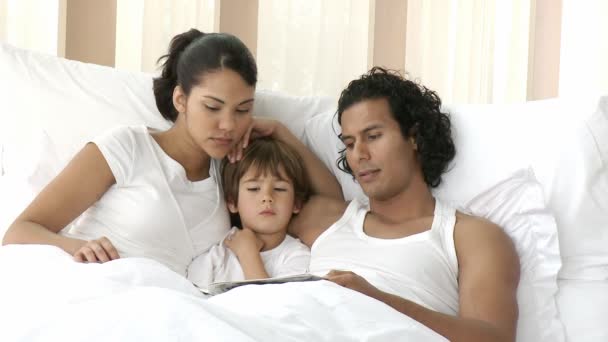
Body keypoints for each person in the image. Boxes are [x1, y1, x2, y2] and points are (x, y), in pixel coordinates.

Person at [2, 28, 260, 276]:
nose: (228, 125)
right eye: (213, 107)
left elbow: (299, 223)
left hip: (168, 306)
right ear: (180, 99)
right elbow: (19, 232)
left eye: (242, 110)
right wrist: (79, 247)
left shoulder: (234, 170)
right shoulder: (128, 147)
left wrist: (279, 131)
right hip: (95, 285)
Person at [289, 67, 521, 342]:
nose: (359, 154)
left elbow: (493, 338)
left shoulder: (469, 236)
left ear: (414, 136)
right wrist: (281, 132)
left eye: (373, 136)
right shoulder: (322, 217)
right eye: (349, 143)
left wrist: (378, 300)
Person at [188, 137, 311, 287]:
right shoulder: (219, 253)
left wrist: (248, 253)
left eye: (279, 189)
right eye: (254, 189)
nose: (267, 197)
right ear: (233, 202)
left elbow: (276, 306)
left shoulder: (297, 256)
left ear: (296, 203)